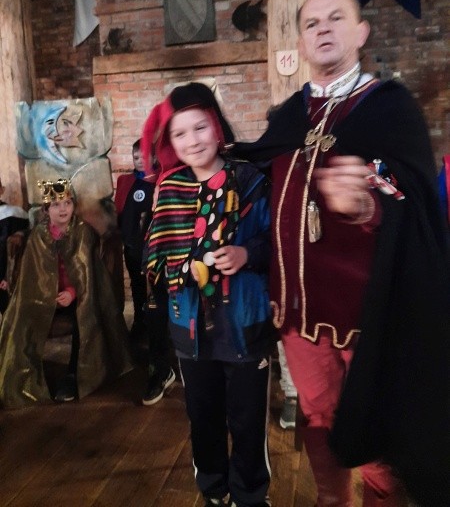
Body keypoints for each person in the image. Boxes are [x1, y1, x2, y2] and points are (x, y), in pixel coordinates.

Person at [233, 0, 450, 506]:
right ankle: (333, 500)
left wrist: (369, 205)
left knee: (377, 421)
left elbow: (414, 195)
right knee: (317, 417)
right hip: (298, 310)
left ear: (360, 32)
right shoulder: (288, 117)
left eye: (336, 18)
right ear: (301, 42)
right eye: (312, 23)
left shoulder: (389, 108)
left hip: (366, 311)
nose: (323, 29)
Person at [142, 82, 276, 507]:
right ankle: (214, 489)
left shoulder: (251, 180)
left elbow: (277, 240)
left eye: (200, 127)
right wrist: (183, 265)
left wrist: (246, 253)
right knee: (203, 417)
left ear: (217, 127)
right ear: (170, 142)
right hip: (190, 325)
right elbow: (156, 254)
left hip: (244, 323)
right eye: (179, 133)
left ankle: (250, 496)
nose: (192, 140)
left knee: (248, 421)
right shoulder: (169, 190)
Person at [0, 179, 133, 408]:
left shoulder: (83, 232)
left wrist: (72, 293)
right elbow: (32, 273)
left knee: (83, 316)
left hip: (79, 295)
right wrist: (43, 293)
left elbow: (86, 273)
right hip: (46, 295)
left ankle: (74, 373)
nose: (63, 209)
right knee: (20, 316)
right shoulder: (39, 236)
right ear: (46, 209)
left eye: (68, 203)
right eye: (56, 205)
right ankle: (22, 374)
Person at [115, 138, 156, 340]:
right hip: (132, 245)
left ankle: (158, 325)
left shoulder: (160, 181)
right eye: (136, 157)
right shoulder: (125, 181)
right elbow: (120, 210)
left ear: (154, 157)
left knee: (157, 287)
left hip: (154, 247)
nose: (139, 161)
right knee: (137, 284)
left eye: (144, 157)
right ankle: (140, 321)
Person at [0, 177, 29, 314]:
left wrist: (9, 276)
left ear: (2, 190)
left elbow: (19, 249)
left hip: (6, 276)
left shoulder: (14, 214)